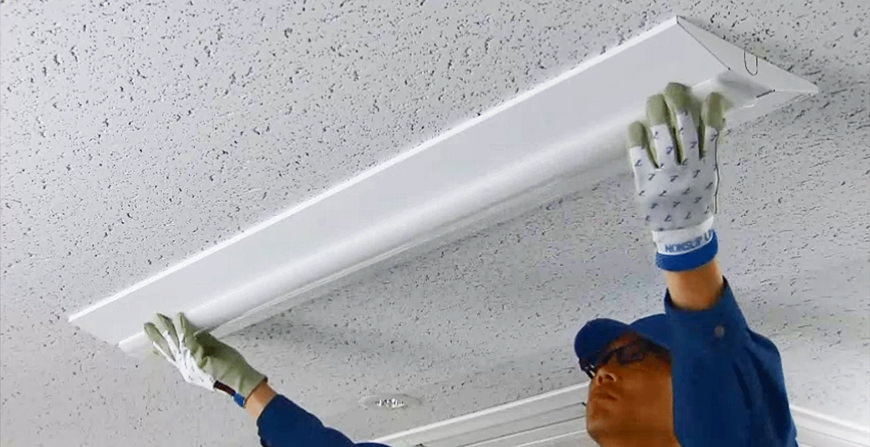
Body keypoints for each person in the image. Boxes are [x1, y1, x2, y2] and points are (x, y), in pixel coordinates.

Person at [144, 83, 798, 446]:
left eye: (630, 356)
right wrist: (245, 388)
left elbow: (728, 406)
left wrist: (687, 249)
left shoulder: (734, 411)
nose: (601, 375)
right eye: (601, 364)